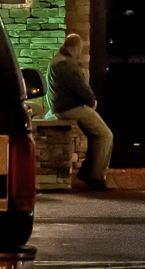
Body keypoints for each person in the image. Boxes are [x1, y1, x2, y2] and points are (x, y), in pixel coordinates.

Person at [48, 33, 112, 189]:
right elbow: (84, 92)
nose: (80, 53)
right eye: (80, 49)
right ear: (76, 47)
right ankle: (96, 176)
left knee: (94, 134)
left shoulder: (56, 60)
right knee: (105, 135)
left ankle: (87, 170)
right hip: (71, 108)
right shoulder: (68, 65)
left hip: (58, 108)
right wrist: (93, 103)